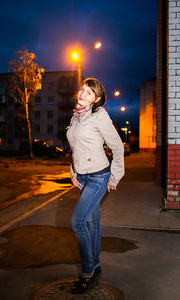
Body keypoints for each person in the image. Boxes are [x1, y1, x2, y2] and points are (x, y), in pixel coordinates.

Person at [66, 78, 124, 294]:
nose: (83, 94)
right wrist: (73, 171)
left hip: (99, 177)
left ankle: (88, 272)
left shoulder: (99, 116)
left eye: (89, 93)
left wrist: (115, 177)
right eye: (82, 89)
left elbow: (117, 147)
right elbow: (75, 148)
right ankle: (96, 266)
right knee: (93, 223)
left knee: (77, 222)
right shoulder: (76, 115)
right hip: (82, 178)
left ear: (96, 99)